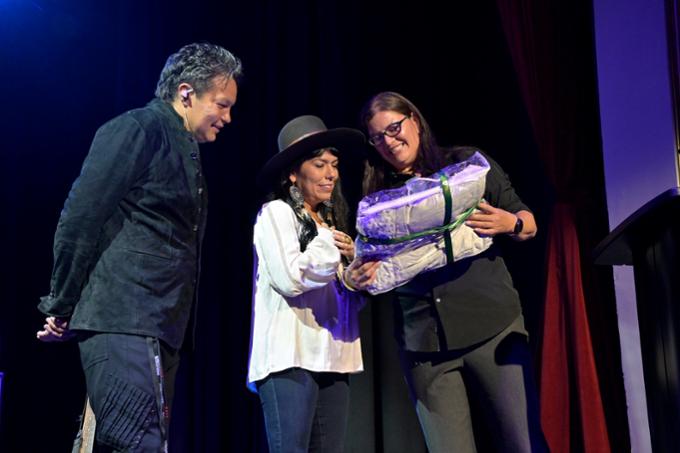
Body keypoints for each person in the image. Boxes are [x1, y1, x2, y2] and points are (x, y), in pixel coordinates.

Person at [35, 42, 242, 452]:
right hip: (128, 317)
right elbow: (80, 217)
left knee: (138, 443)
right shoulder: (137, 129)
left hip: (158, 325)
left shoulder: (185, 150)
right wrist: (60, 302)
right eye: (221, 104)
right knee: (140, 444)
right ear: (186, 93)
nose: (228, 117)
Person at [349, 91, 548, 452]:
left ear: (413, 119)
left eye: (394, 128)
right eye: (378, 138)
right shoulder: (377, 196)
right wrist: (357, 279)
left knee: (524, 444)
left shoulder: (466, 166)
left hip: (492, 327)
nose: (389, 143)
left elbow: (529, 222)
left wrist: (510, 223)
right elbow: (370, 269)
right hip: (425, 345)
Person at [247, 115, 372, 453]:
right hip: (290, 355)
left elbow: (343, 298)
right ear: (292, 173)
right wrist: (328, 244)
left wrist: (353, 276)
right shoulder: (276, 213)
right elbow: (291, 277)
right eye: (319, 165)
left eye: (334, 164)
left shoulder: (330, 224)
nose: (330, 173)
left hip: (332, 355)